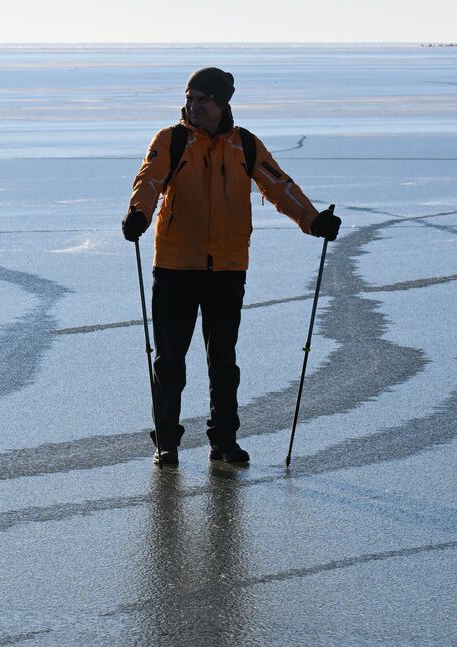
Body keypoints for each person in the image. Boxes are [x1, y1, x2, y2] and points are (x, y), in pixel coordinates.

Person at [122, 67, 340, 468]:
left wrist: (313, 221)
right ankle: (166, 442)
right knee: (170, 361)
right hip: (175, 267)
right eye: (191, 96)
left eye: (204, 98)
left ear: (222, 103)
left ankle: (224, 440)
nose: (195, 104)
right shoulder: (171, 141)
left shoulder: (246, 146)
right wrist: (138, 215)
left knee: (223, 361)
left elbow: (279, 186)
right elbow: (149, 180)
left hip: (227, 268)